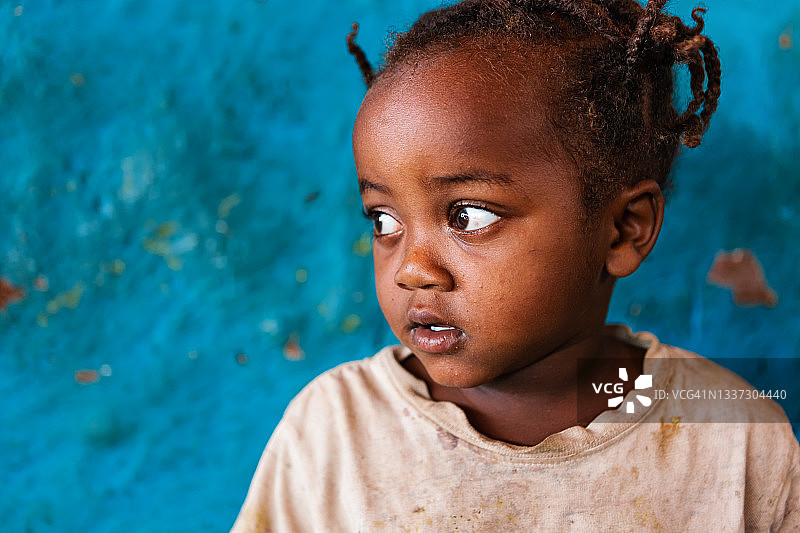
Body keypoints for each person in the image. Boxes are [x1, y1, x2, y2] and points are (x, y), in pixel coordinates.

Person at [231, 1, 800, 530]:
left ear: (624, 229)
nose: (411, 270)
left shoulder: (735, 439)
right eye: (384, 221)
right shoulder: (333, 430)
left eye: (469, 216)